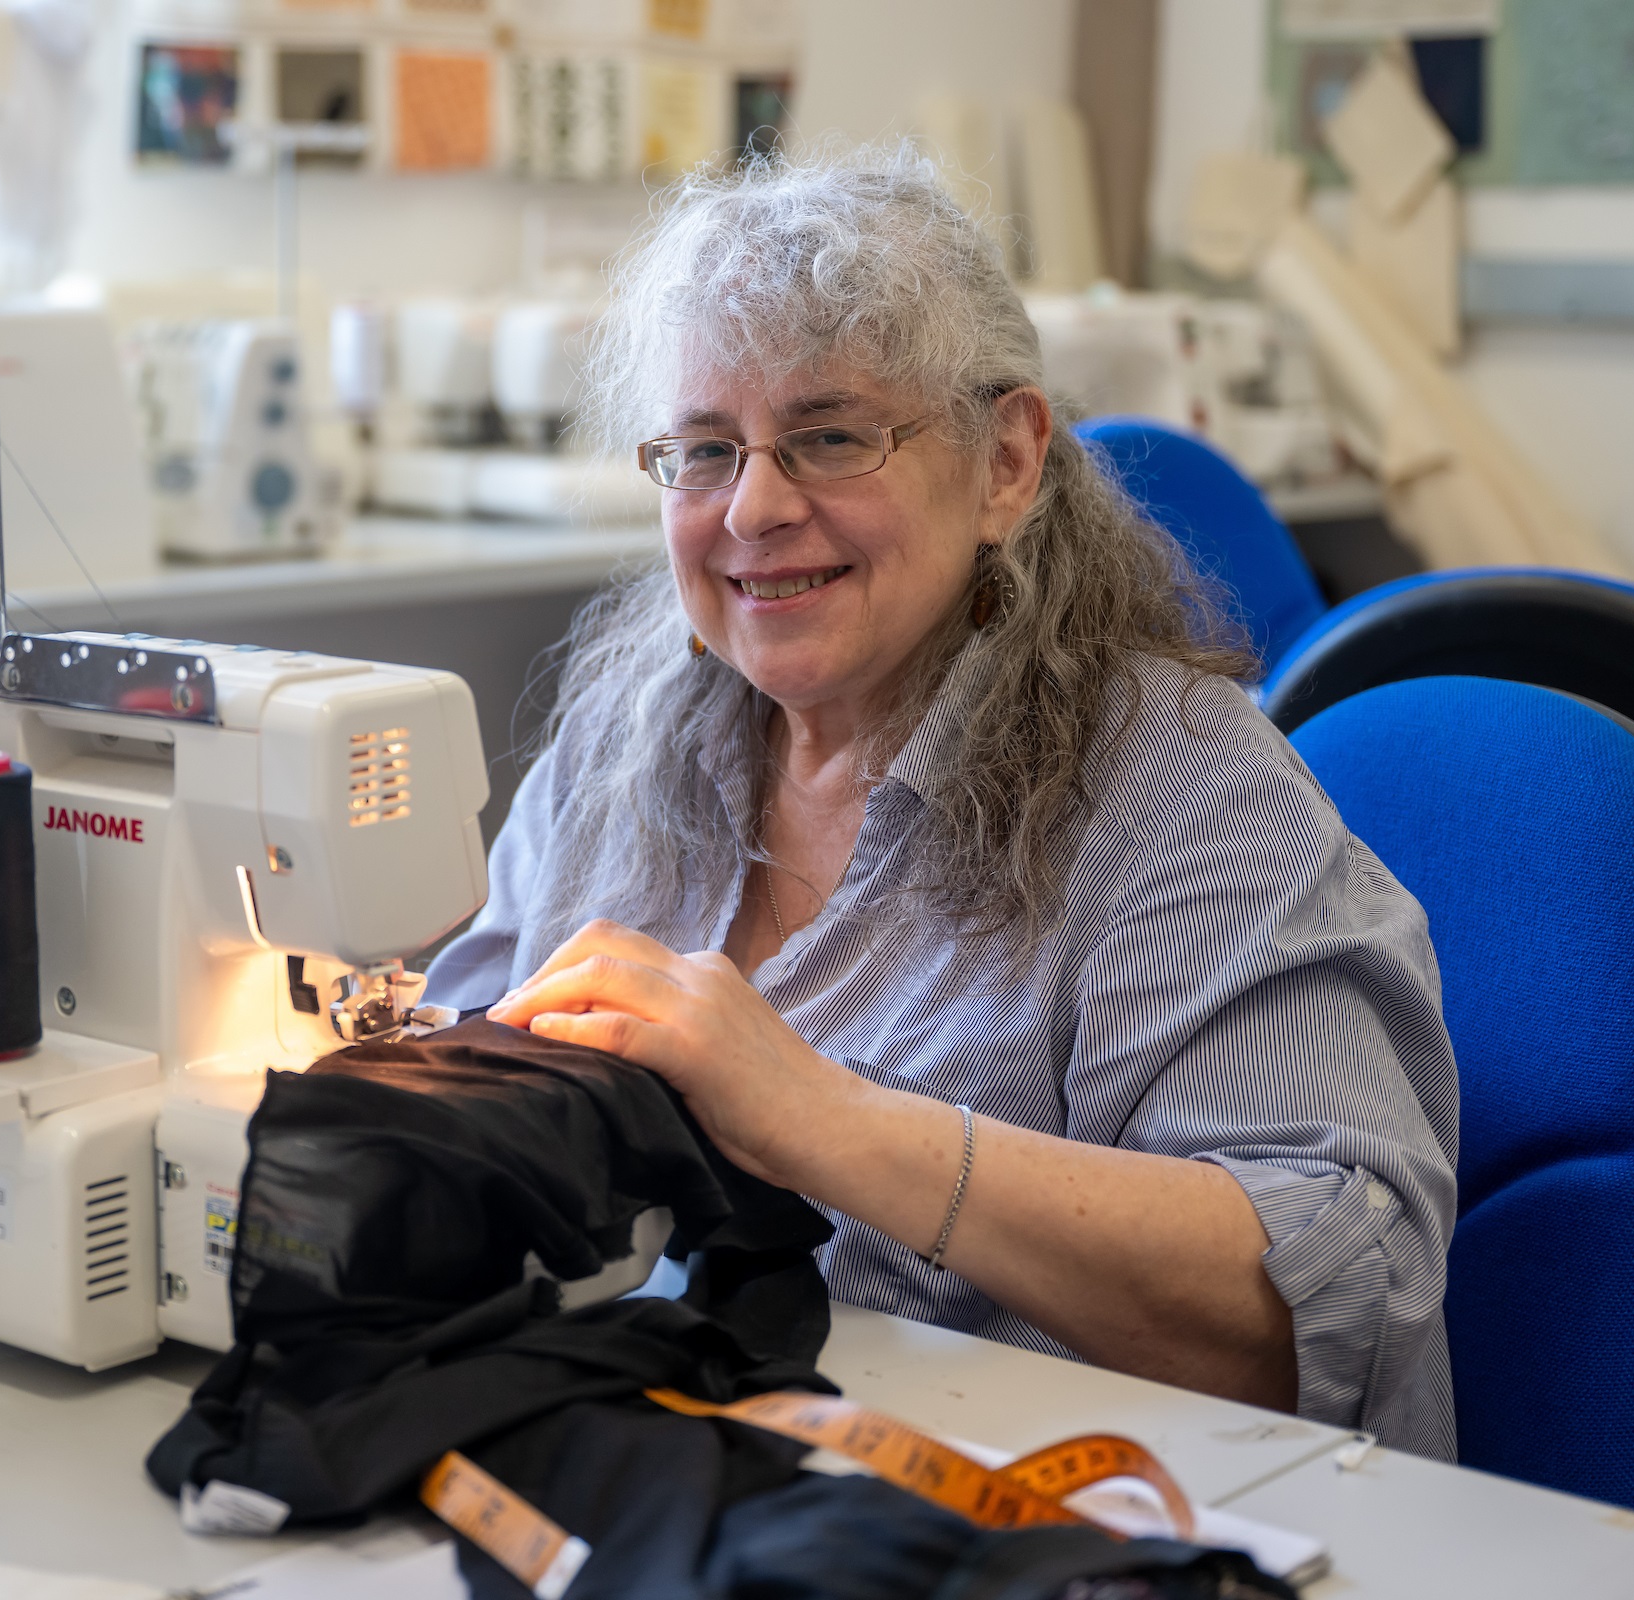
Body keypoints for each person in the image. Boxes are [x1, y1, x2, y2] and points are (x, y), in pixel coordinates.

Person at [425, 148, 1459, 1458]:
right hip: (679, 1463)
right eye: (702, 451)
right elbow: (458, 1054)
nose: (753, 505)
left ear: (1006, 462)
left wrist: (818, 1118)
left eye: (831, 435)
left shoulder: (1178, 798)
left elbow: (1316, 1310)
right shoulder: (627, 742)